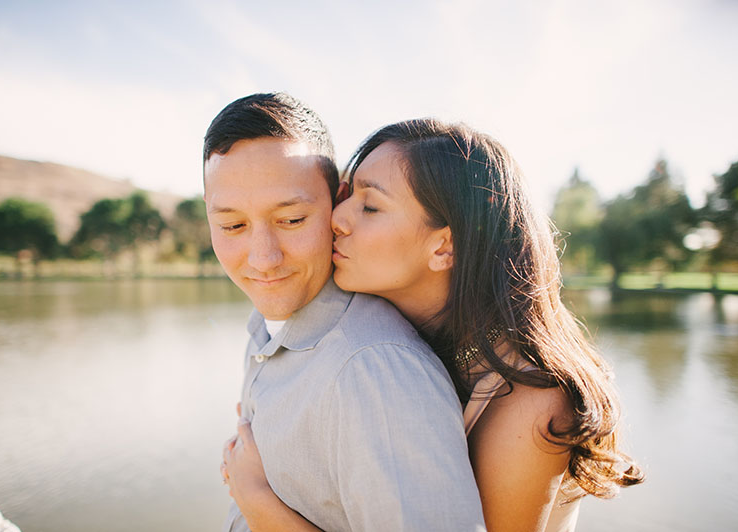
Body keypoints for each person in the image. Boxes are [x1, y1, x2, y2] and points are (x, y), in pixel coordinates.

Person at [223, 118, 645, 531]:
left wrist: (258, 500)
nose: (337, 218)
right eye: (348, 195)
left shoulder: (530, 405)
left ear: (443, 246)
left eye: (369, 206)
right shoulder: (379, 336)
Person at [204, 95, 486, 532]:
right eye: (232, 226)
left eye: (292, 220)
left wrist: (258, 503)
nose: (263, 259)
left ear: (336, 203)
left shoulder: (374, 368)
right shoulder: (267, 323)